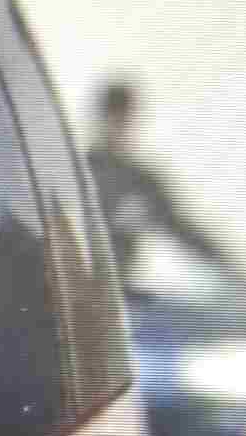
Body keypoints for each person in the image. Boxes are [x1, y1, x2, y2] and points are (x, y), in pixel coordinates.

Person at [85, 79, 237, 289]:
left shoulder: (140, 179)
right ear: (101, 117)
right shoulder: (78, 172)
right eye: (114, 116)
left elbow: (182, 228)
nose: (120, 125)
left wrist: (233, 269)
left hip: (117, 289)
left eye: (125, 117)